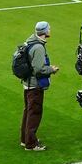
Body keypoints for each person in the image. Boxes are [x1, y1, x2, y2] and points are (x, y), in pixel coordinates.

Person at [20, 21, 58, 151]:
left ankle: (25, 140)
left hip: (27, 83)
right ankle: (31, 144)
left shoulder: (30, 41)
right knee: (34, 113)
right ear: (45, 31)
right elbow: (39, 69)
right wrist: (51, 69)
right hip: (34, 85)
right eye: (49, 29)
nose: (50, 30)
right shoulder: (39, 47)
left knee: (28, 112)